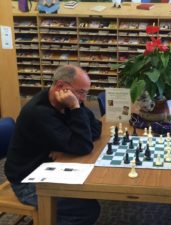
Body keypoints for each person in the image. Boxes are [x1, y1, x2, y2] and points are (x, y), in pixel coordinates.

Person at [5, 65, 102, 225]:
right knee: (87, 209)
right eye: (80, 92)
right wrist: (75, 108)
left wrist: (76, 108)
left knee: (88, 192)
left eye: (86, 93)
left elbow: (96, 128)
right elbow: (83, 145)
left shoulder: (66, 103)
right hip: (27, 180)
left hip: (50, 167)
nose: (83, 99)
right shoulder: (39, 112)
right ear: (60, 87)